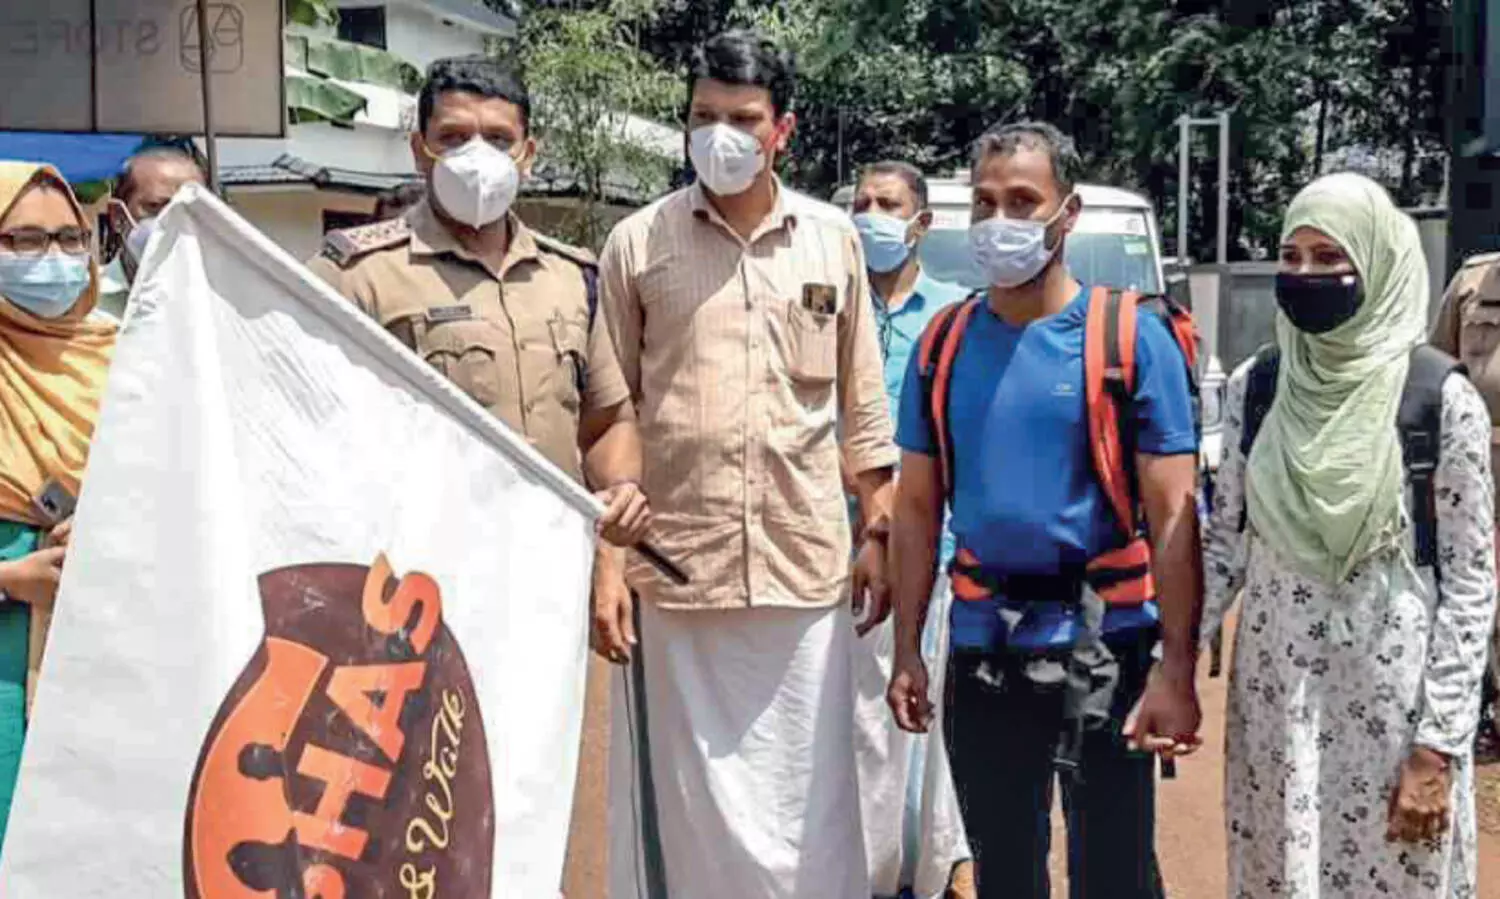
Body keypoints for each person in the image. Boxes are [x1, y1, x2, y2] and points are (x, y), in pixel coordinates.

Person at [304, 55, 650, 899]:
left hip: (547, 596)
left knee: (544, 791)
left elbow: (605, 423)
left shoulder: (572, 277)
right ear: (419, 148)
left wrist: (611, 554)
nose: (477, 155)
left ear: (529, 152)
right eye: (455, 136)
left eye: (498, 138)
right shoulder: (358, 272)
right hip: (415, 600)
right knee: (414, 811)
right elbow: (317, 432)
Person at [597, 30, 896, 899]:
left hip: (804, 570)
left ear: (782, 130)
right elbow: (613, 409)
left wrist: (877, 529)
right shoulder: (636, 244)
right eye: (701, 117)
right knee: (689, 816)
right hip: (677, 576)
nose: (718, 134)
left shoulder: (833, 240)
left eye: (741, 118)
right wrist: (611, 559)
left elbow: (863, 406)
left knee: (812, 803)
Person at [885, 122, 1203, 899]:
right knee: (1004, 870)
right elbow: (918, 509)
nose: (1002, 222)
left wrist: (1179, 668)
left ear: (1069, 212)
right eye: (986, 203)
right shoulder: (943, 344)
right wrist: (906, 648)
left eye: (1024, 201)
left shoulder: (1131, 337)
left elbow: (1173, 518)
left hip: (1108, 646)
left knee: (1116, 871)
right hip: (983, 646)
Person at [1203, 173, 1496, 897]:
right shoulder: (1258, 387)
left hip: (1396, 718)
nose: (1304, 274)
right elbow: (1223, 546)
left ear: (1377, 261)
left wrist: (1438, 744)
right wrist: (1170, 662)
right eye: (1291, 254)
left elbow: (1469, 581)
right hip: (1279, 714)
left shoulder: (1438, 397)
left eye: (1329, 256)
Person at [846, 160, 974, 899]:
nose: (870, 214)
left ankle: (936, 869)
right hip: (845, 549)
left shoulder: (957, 315)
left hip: (938, 551)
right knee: (856, 729)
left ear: (921, 222)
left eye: (886, 204)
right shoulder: (830, 308)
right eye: (861, 202)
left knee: (927, 722)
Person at [0, 161, 117, 848]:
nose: (53, 259)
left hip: (107, 641)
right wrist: (10, 579)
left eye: (71, 240)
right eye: (21, 241)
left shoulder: (123, 351)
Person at [1430, 252, 1500, 755]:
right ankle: (1477, 707)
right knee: (1475, 584)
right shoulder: (1474, 279)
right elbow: (1437, 369)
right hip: (1480, 462)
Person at [99, 146, 207, 320]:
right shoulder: (85, 305)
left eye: (191, 210)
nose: (175, 220)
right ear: (118, 217)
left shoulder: (226, 301)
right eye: (156, 207)